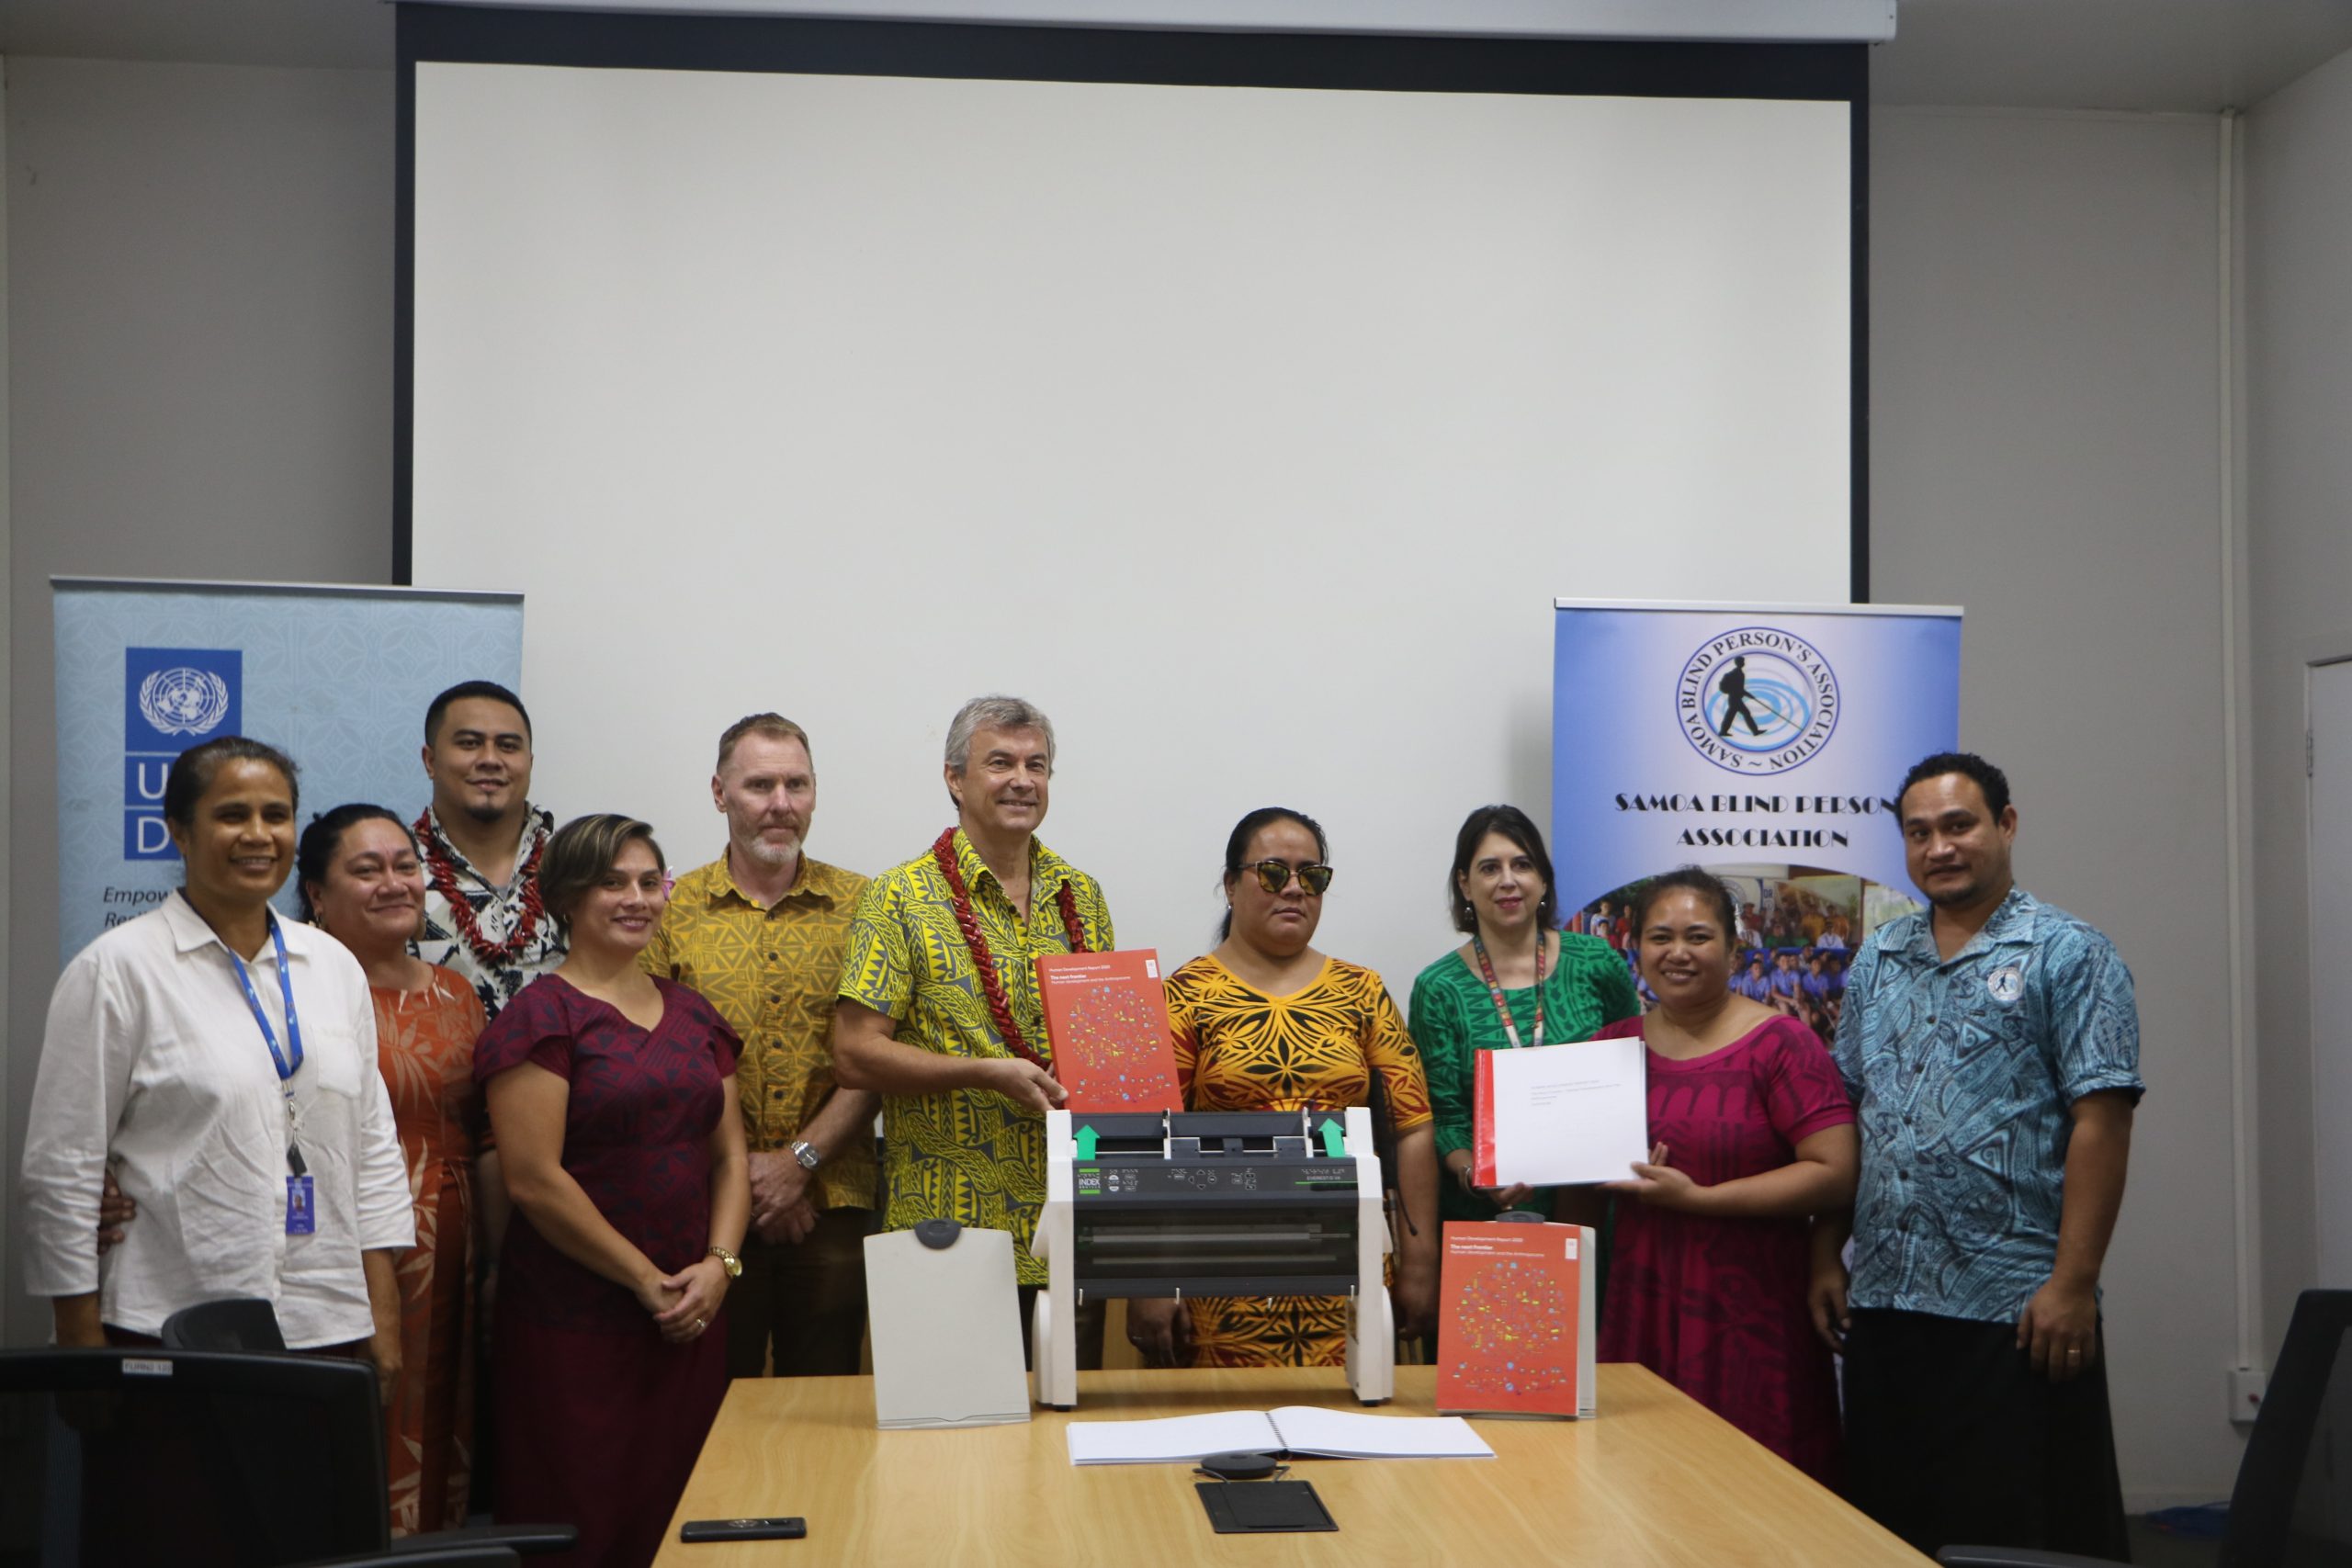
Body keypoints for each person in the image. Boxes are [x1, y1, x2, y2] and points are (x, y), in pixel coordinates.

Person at [1811, 753, 2142, 1559]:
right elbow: (1847, 1114)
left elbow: (2102, 1122)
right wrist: (1824, 1249)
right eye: (1919, 832)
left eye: (1958, 825)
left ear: (2006, 824)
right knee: (1893, 1528)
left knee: (2023, 1532)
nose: (1940, 847)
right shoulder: (1879, 958)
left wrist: (2072, 1283)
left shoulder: (2071, 953)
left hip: (2018, 1309)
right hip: (1888, 1300)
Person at [21, 739, 412, 1373]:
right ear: (178, 830)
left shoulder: (333, 966)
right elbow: (60, 1169)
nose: (258, 835)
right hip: (167, 1321)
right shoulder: (118, 971)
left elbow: (372, 1150)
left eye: (276, 814)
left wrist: (382, 1319)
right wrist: (79, 1341)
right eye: (232, 814)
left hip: (324, 1322)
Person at [475, 814, 750, 1568]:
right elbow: (533, 1180)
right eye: (611, 881)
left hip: (691, 1313)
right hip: (579, 1317)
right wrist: (645, 1281)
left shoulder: (693, 1012)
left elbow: (730, 1158)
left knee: (685, 1508)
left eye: (649, 880)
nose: (637, 897)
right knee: (581, 1513)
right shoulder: (542, 1016)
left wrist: (718, 1269)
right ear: (565, 896)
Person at [832, 695, 1114, 1364]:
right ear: (955, 779)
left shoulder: (1082, 896)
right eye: (1001, 762)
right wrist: (984, 1071)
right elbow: (854, 1054)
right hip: (947, 1234)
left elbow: (1102, 1049)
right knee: (953, 1456)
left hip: (1066, 1228)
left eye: (1036, 764)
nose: (1022, 778)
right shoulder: (898, 897)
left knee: (1065, 1443)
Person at [1130, 807, 1438, 1368]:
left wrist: (1421, 1263)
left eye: (1312, 876)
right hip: (1219, 1277)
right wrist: (1152, 1275)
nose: (1294, 889)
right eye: (1273, 873)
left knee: (1355, 1441)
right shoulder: (1184, 994)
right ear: (1230, 884)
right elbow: (1152, 1138)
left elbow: (1412, 1125)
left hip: (1351, 1276)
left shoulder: (1362, 991)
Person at [1579, 867, 1856, 1483]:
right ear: (1636, 948)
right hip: (1642, 1303)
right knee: (1639, 1490)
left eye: (1698, 936)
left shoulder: (1782, 1045)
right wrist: (1529, 1169)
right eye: (1660, 936)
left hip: (1754, 1310)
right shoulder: (1609, 1049)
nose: (1677, 952)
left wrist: (1700, 1199)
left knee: (1756, 1491)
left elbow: (1835, 1173)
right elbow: (1585, 1189)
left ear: (1733, 949)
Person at [642, 714, 877, 1379]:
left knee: (828, 1415)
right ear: (720, 793)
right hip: (706, 1206)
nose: (781, 803)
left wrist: (798, 1163)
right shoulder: (668, 907)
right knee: (713, 1403)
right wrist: (748, 1174)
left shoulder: (868, 905)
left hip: (833, 1202)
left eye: (796, 784)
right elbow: (656, 1061)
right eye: (760, 784)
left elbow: (879, 1057)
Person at [299, 804, 501, 1535]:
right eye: (366, 868)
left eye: (405, 866)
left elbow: (484, 1133)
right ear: (317, 895)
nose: (394, 882)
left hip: (454, 1240)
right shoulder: (298, 994)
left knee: (442, 1418)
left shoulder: (455, 992)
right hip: (346, 1244)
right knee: (358, 1420)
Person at [1409, 804, 1637, 1226]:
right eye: (1490, 868)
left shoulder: (1597, 962)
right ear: (1465, 883)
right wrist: (1473, 1174)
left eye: (1522, 864)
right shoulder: (1438, 988)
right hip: (1486, 1217)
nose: (1508, 881)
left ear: (1544, 878)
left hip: (1593, 1209)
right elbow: (1444, 1116)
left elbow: (1635, 1067)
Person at [415, 681, 562, 1018]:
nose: (490, 760)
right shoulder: (393, 871)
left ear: (530, 761)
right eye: (469, 744)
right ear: (430, 760)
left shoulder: (573, 866)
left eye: (508, 747)